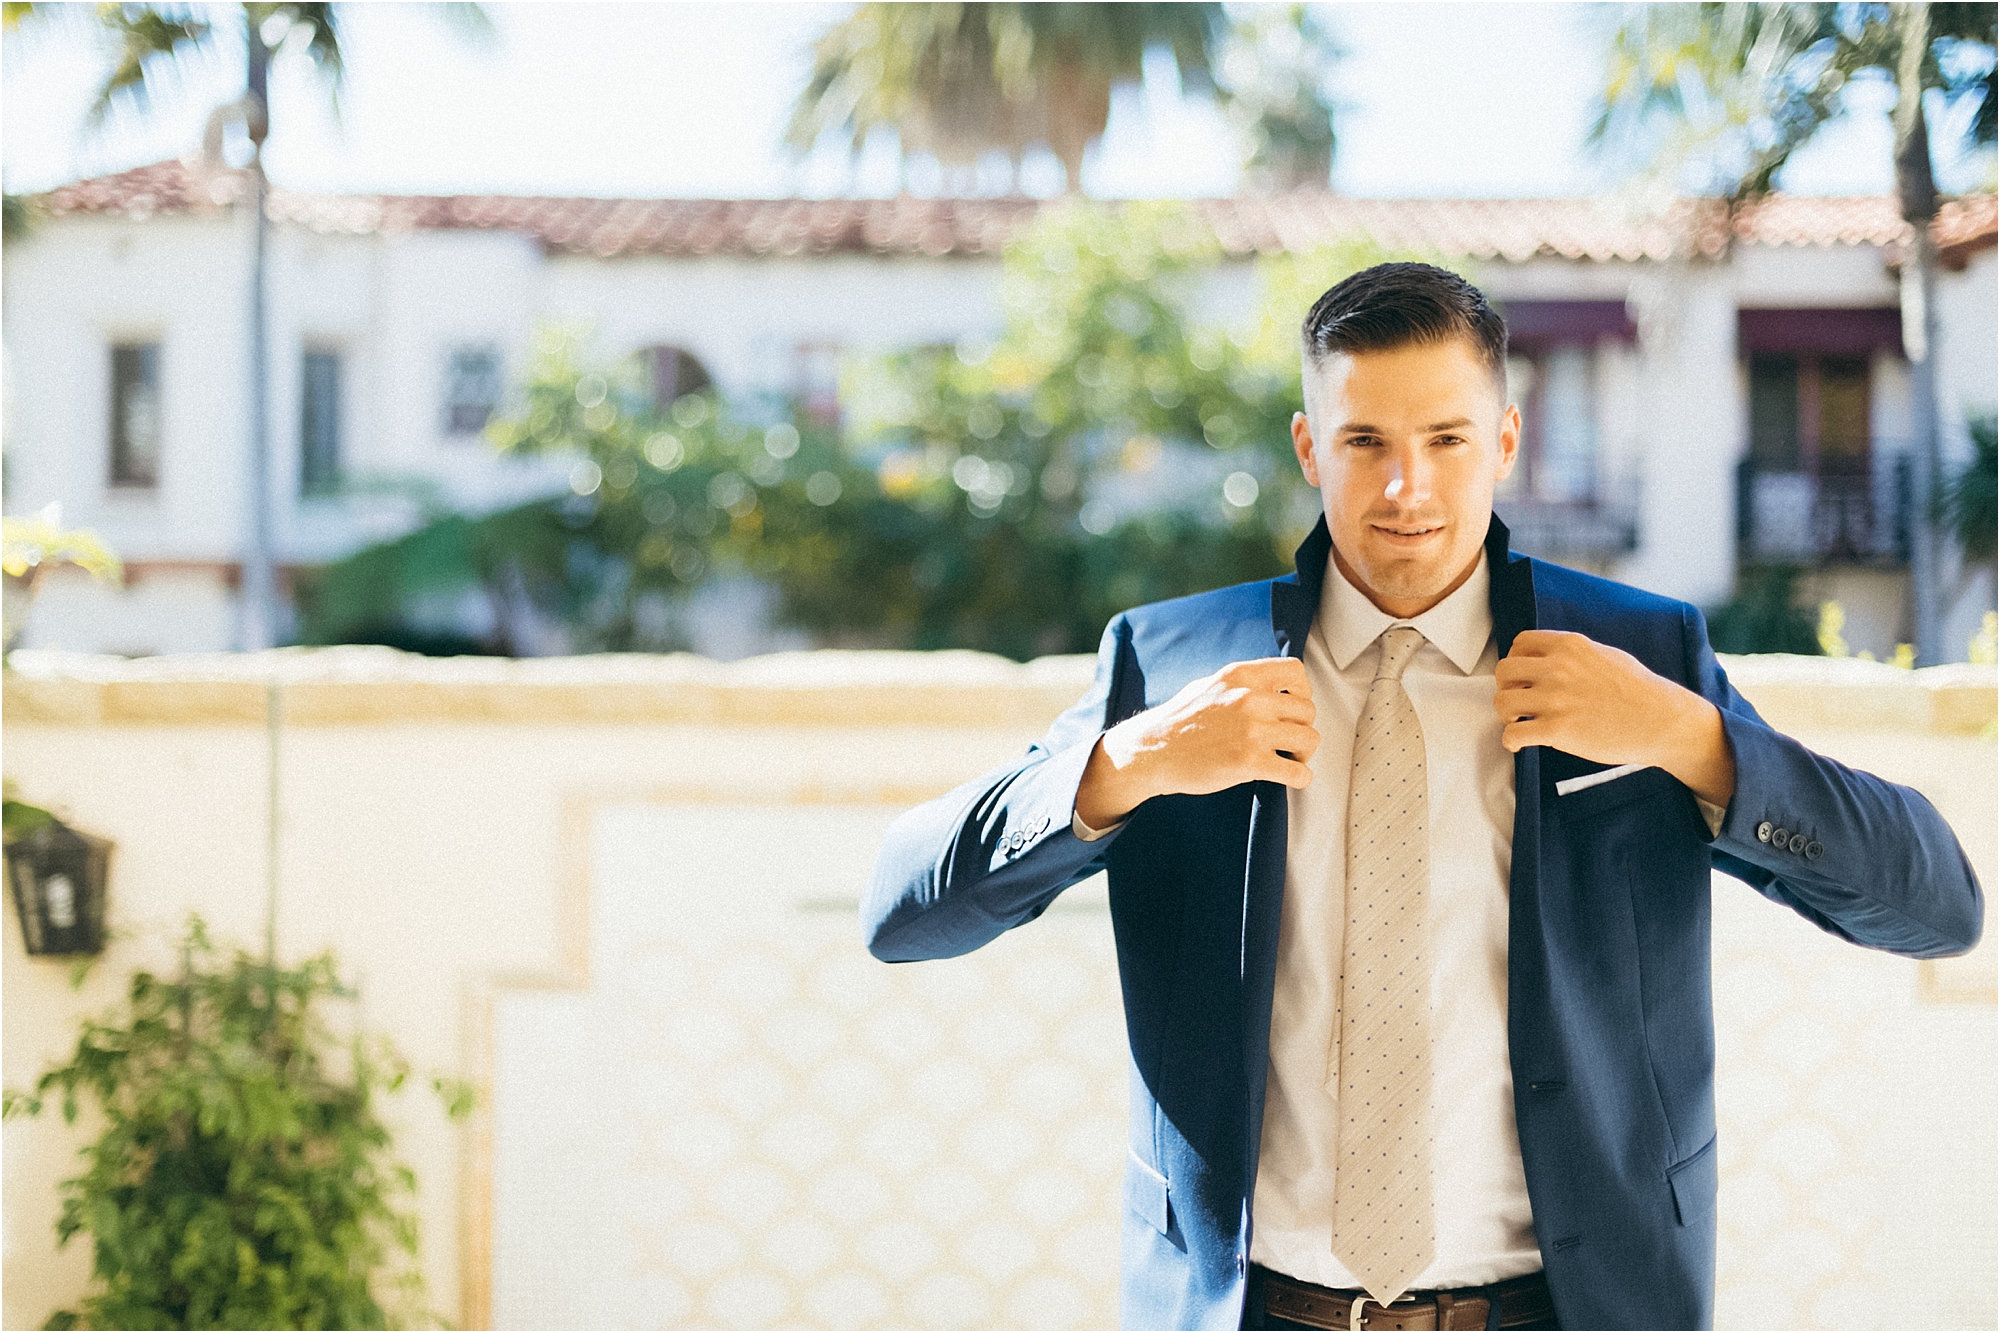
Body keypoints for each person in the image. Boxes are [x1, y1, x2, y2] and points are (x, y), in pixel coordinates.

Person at [862, 263, 1983, 1331]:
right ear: (1310, 447)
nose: (1407, 486)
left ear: (1503, 440)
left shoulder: (1641, 655)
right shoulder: (1168, 664)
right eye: (1364, 441)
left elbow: (1935, 904)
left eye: (1445, 438)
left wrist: (1688, 738)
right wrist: (1128, 763)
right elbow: (901, 912)